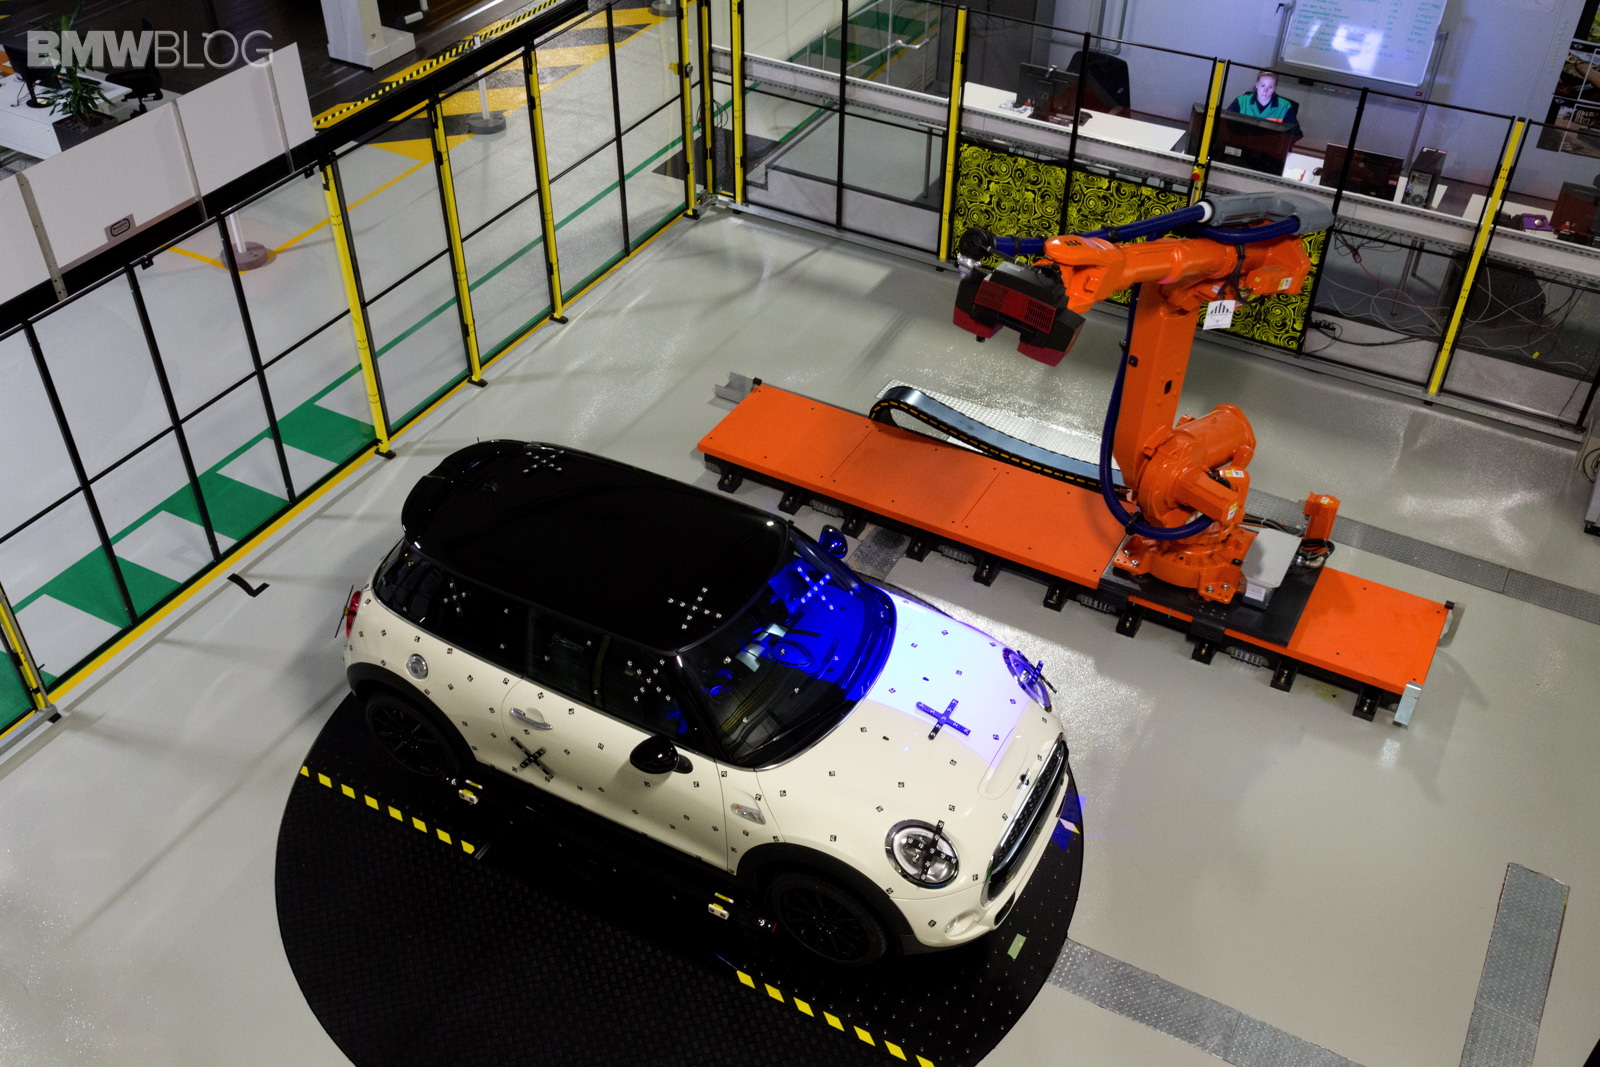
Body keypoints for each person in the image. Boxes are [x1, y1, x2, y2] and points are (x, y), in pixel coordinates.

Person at [1227, 70, 1302, 138]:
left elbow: (1296, 134)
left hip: (1269, 146)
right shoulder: (1241, 101)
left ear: (1275, 88)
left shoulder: (1285, 106)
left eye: (1270, 87)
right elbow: (1225, 124)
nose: (1265, 91)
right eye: (1262, 85)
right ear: (1256, 85)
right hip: (1241, 142)